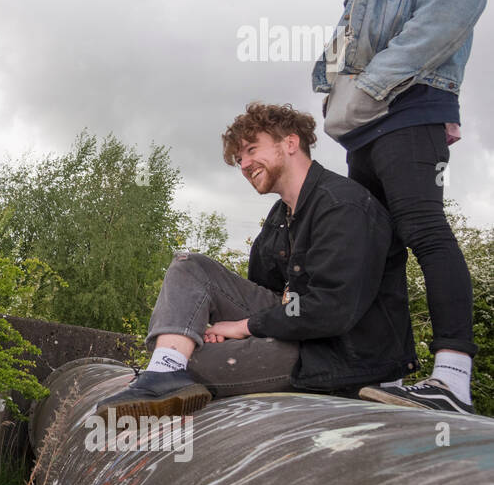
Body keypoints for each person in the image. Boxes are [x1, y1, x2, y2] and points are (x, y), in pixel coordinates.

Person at [95, 103, 417, 420]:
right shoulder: (279, 219)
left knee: (193, 362)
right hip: (297, 335)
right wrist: (232, 330)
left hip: (342, 356)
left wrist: (243, 327)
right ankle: (164, 373)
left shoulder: (343, 205)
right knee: (188, 266)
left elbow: (331, 309)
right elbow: (264, 295)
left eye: (251, 149)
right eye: (239, 159)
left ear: (290, 143)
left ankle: (169, 372)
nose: (245, 164)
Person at [315, 0, 490, 414]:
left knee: (423, 228)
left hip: (412, 102)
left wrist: (369, 87)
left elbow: (449, 12)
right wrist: (331, 84)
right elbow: (348, 36)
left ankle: (453, 379)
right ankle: (382, 371)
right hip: (364, 121)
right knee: (373, 246)